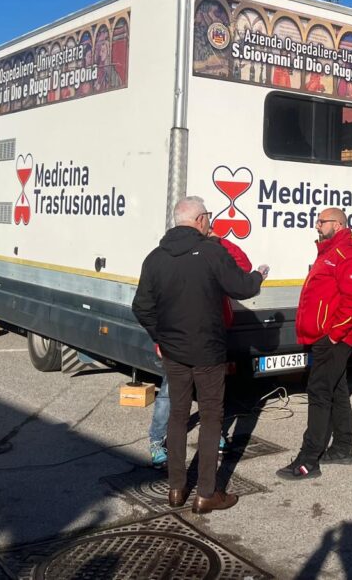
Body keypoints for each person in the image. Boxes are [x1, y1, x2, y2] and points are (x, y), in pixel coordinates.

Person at [133, 195, 268, 514]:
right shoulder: (211, 252)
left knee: (178, 417)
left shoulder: (155, 257)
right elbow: (241, 287)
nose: (210, 220)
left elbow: (142, 307)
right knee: (210, 418)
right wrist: (259, 276)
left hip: (174, 353)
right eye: (208, 215)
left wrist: (162, 336)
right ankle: (207, 493)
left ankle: (176, 489)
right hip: (208, 352)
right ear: (198, 220)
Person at [277, 208, 352, 479]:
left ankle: (309, 459)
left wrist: (332, 336)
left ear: (339, 225)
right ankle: (343, 447)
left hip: (334, 337)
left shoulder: (349, 253)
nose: (317, 225)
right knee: (337, 389)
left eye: (322, 221)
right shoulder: (330, 251)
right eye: (317, 221)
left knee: (319, 392)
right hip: (326, 335)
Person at [147, 228, 253, 469]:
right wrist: (159, 338)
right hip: (178, 337)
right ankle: (156, 440)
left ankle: (213, 434)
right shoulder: (170, 256)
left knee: (212, 394)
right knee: (169, 393)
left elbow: (243, 265)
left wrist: (219, 241)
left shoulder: (212, 251)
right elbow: (152, 303)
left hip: (210, 335)